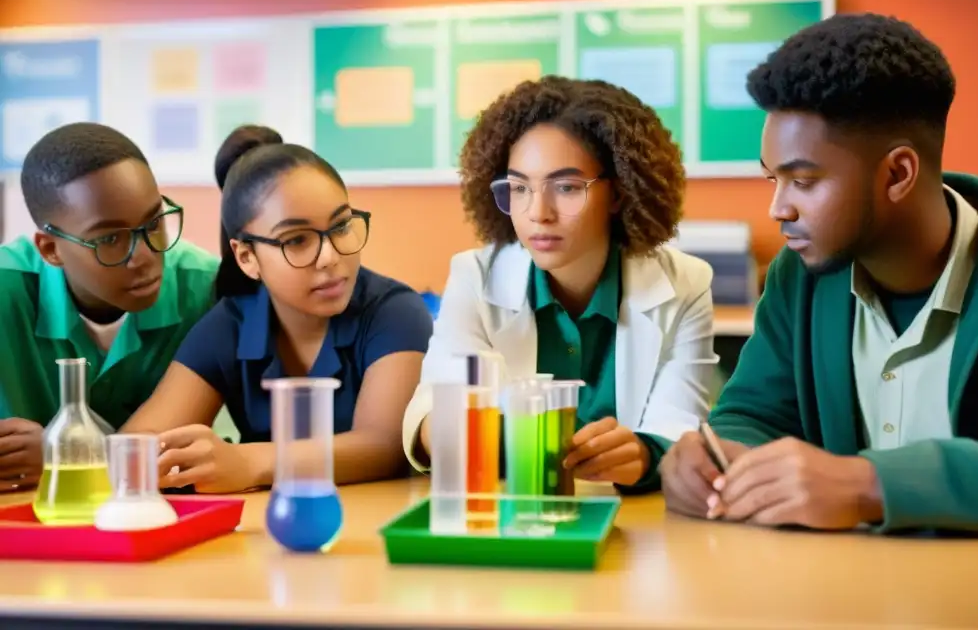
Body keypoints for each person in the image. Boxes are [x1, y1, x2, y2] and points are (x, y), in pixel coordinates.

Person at [661, 13, 978, 534]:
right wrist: (716, 460)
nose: (778, 209)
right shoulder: (797, 276)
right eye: (773, 179)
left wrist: (866, 484)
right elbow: (753, 415)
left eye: (803, 181)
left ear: (898, 173)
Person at [403, 76, 717, 492]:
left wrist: (642, 455)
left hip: (637, 528)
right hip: (512, 518)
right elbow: (431, 419)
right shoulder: (474, 278)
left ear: (621, 193)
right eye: (518, 188)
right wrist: (444, 429)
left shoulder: (686, 285)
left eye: (566, 187)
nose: (538, 213)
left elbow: (678, 430)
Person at [122, 126, 434, 493]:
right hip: (263, 532)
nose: (330, 257)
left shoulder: (394, 311)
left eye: (341, 226)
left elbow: (384, 445)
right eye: (297, 240)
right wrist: (162, 458)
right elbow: (138, 445)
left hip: (374, 529)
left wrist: (249, 462)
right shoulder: (230, 325)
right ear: (246, 257)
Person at [0, 123, 219, 493]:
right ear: (50, 249)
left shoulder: (206, 289)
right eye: (110, 239)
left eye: (153, 223)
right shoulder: (8, 291)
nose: (146, 256)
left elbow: (189, 456)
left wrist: (66, 455)